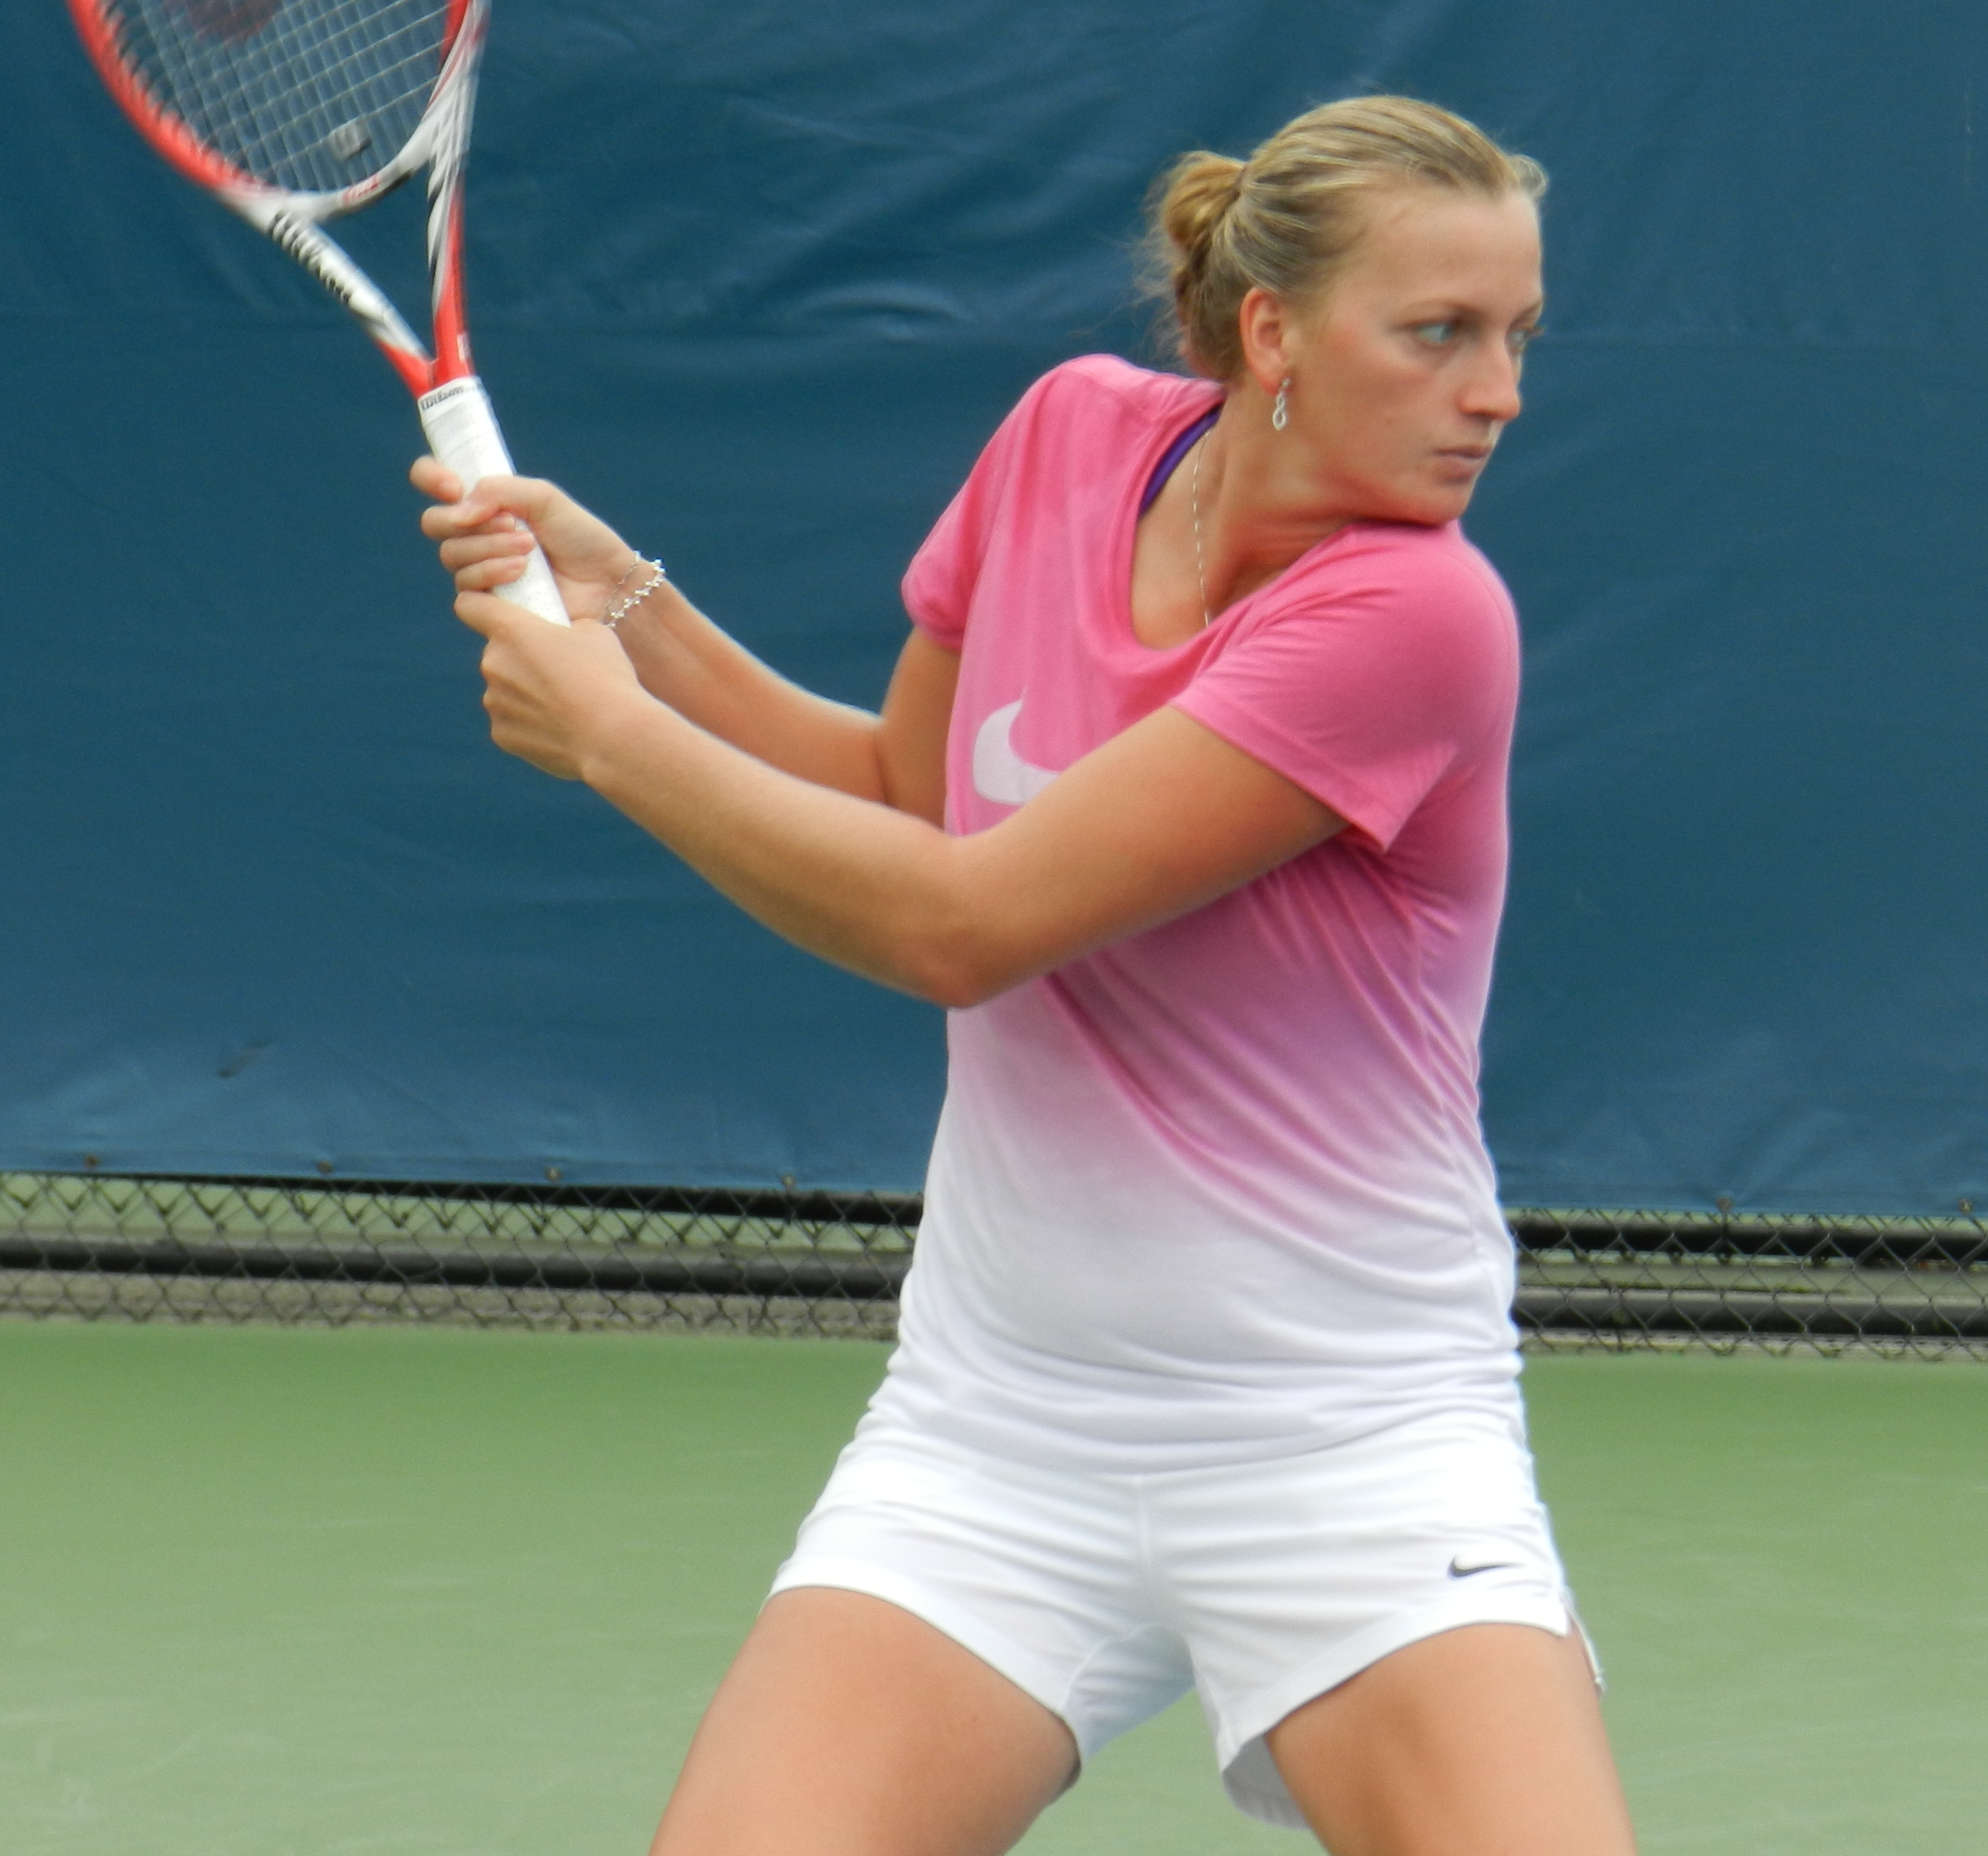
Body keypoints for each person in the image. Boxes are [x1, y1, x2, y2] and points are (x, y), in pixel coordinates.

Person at [416, 96, 1633, 1856]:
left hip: (1342, 1450)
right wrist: (640, 622)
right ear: (1275, 333)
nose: (1498, 390)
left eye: (1516, 335)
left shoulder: (1415, 619)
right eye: (1439, 332)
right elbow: (917, 797)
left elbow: (960, 924)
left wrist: (609, 736)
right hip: (997, 1441)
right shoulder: (1068, 437)